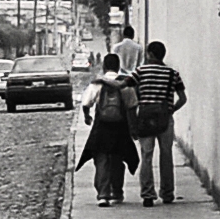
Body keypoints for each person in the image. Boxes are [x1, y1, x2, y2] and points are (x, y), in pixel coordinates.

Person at [127, 44, 187, 202]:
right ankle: (167, 193)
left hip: (145, 117)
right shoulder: (173, 74)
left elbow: (125, 86)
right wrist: (171, 109)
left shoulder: (140, 71)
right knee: (166, 155)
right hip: (165, 119)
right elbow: (183, 99)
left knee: (147, 155)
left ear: (150, 54)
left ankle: (148, 194)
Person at [73, 65, 138, 203]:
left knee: (101, 159)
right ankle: (117, 192)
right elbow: (132, 106)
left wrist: (87, 117)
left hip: (101, 128)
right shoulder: (125, 84)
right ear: (118, 66)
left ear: (104, 67)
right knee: (117, 159)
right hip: (120, 127)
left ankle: (103, 194)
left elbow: (86, 103)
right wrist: (133, 128)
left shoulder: (97, 84)